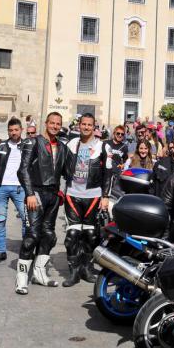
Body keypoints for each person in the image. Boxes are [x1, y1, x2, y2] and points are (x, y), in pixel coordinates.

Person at [15, 111, 68, 294]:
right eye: (52, 122)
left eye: (58, 124)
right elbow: (23, 170)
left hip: (52, 196)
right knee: (32, 237)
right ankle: (21, 279)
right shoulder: (32, 141)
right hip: (35, 193)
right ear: (46, 123)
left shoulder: (62, 146)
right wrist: (29, 193)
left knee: (49, 236)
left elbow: (66, 172)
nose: (54, 126)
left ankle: (39, 274)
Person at [62, 113, 112, 286]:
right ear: (79, 125)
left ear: (94, 127)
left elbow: (108, 173)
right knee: (72, 235)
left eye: (89, 125)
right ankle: (74, 271)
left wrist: (105, 196)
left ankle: (87, 268)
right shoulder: (71, 144)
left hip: (93, 195)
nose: (86, 127)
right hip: (72, 195)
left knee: (91, 234)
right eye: (83, 124)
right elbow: (60, 166)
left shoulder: (102, 146)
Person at [0, 117, 26, 263]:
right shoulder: (2, 146)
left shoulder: (27, 146)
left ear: (21, 130)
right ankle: (1, 251)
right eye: (11, 130)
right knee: (0, 220)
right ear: (8, 131)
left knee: (26, 219)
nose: (13, 133)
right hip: (0, 187)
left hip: (20, 188)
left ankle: (26, 250)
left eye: (16, 130)